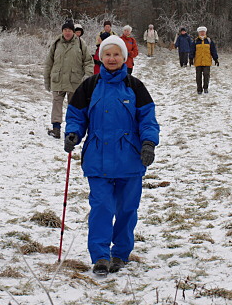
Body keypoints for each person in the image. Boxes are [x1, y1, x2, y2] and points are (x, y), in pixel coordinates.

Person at [64, 35, 160, 276]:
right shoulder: (90, 85)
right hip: (98, 160)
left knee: (127, 209)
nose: (112, 58)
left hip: (130, 160)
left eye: (117, 54)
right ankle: (100, 256)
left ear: (124, 58)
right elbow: (76, 116)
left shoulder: (135, 87)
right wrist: (73, 134)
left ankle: (120, 253)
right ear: (100, 57)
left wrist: (149, 143)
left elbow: (147, 119)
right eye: (107, 54)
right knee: (102, 208)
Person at [44, 20, 94, 138]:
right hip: (58, 79)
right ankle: (56, 129)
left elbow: (88, 62)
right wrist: (47, 79)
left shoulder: (81, 44)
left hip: (74, 81)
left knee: (73, 107)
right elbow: (49, 63)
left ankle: (72, 131)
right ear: (62, 31)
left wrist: (87, 78)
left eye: (70, 30)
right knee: (56, 104)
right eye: (65, 30)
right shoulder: (56, 43)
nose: (67, 32)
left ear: (73, 32)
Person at [190, 26, 219, 94]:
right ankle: (199, 89)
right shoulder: (195, 41)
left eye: (203, 32)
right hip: (198, 61)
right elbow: (192, 51)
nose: (202, 33)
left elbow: (213, 51)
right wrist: (191, 58)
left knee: (206, 75)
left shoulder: (209, 41)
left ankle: (205, 88)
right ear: (198, 33)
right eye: (201, 32)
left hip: (207, 61)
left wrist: (216, 59)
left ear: (205, 32)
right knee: (198, 76)